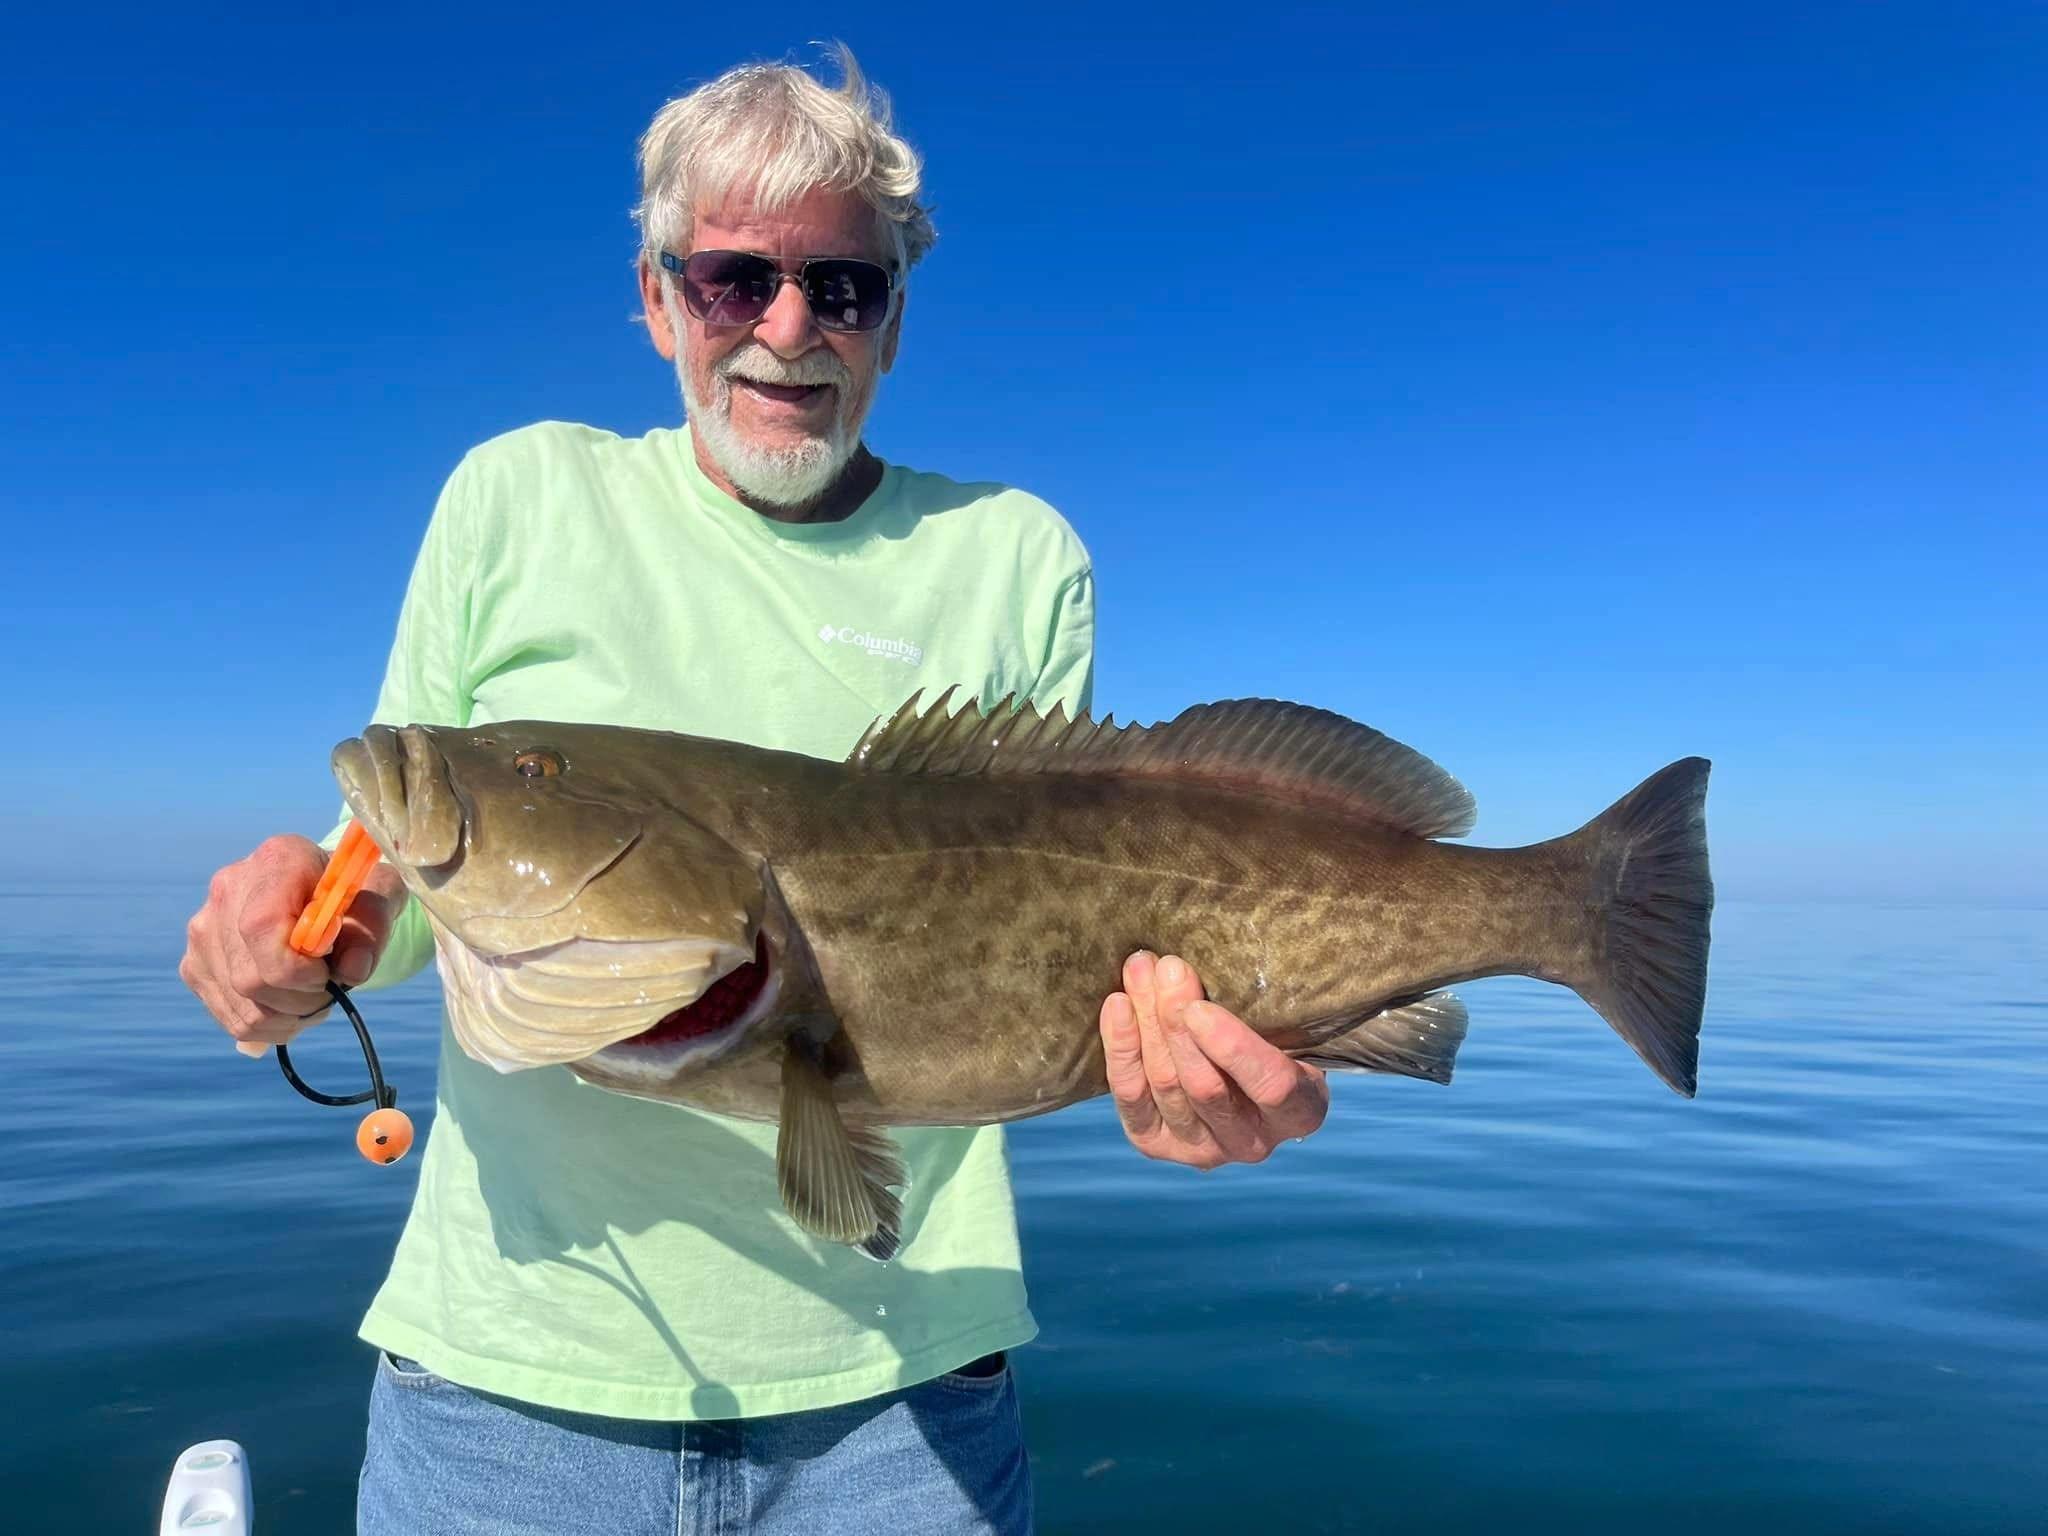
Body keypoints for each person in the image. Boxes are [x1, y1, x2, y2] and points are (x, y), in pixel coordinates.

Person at [177, 49, 1329, 1534]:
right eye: (731, 279)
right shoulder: (516, 497)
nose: (787, 328)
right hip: (506, 1388)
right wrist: (304, 941)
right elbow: (395, 881)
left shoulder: (1018, 555)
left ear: (895, 323)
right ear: (657, 299)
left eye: (840, 287)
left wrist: (1189, 1076)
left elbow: (1074, 929)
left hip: (905, 1408)